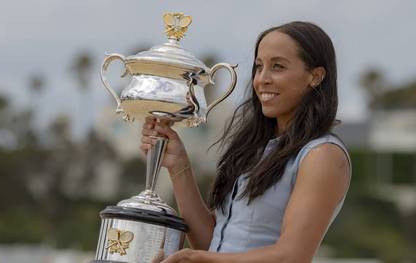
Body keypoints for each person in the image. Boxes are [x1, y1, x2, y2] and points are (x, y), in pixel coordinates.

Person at [141, 21, 351, 263]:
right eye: (259, 67)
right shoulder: (255, 150)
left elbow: (291, 257)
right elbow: (213, 245)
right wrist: (179, 166)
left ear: (315, 76)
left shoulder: (322, 155)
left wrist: (197, 259)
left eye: (278, 67)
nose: (262, 79)